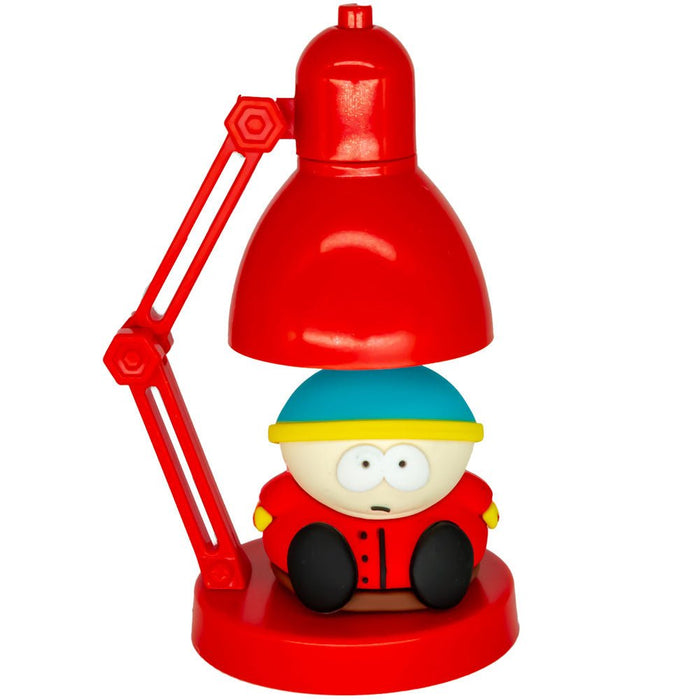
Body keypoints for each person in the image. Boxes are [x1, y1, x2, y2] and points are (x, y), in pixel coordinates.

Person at [254, 366, 499, 613]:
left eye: (402, 464)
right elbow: (280, 497)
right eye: (364, 464)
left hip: (434, 540)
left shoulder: (450, 487)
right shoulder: (304, 490)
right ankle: (322, 572)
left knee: (444, 542)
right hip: (323, 537)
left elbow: (473, 494)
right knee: (316, 545)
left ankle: (442, 569)